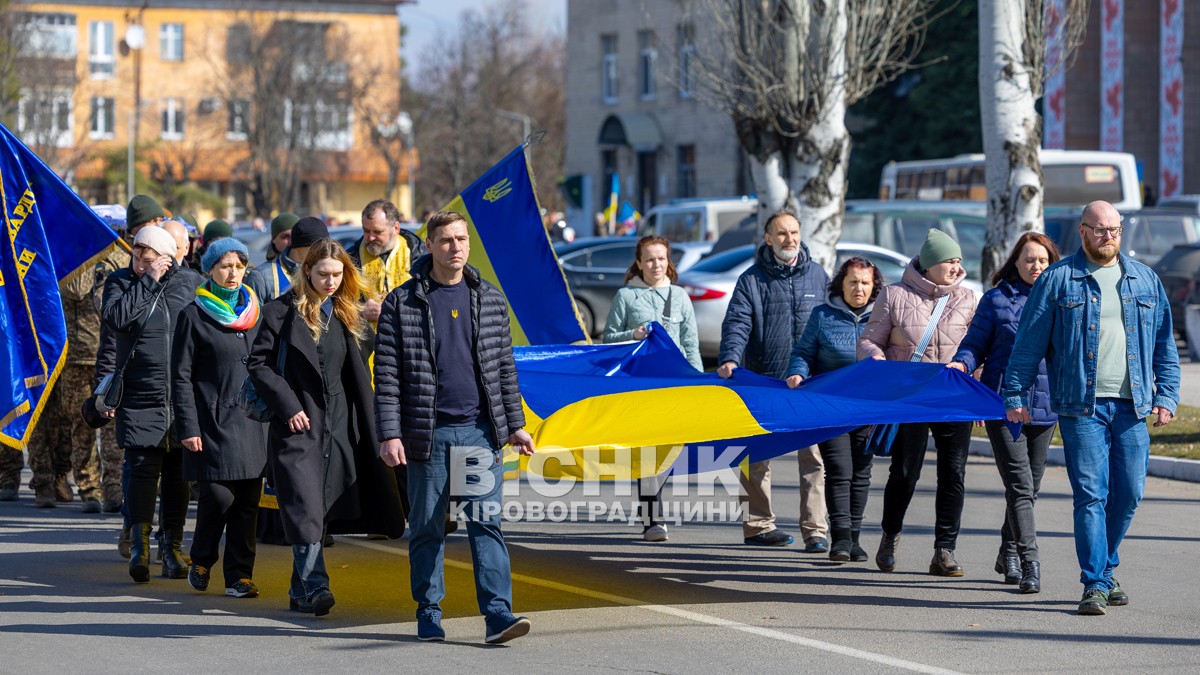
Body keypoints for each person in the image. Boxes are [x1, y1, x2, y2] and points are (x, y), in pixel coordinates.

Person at [1002, 201, 1179, 615]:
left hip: (1133, 404)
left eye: (1114, 230)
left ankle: (1107, 566)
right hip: (1080, 406)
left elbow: (1164, 346)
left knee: (1130, 493)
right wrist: (1015, 395)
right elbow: (1028, 344)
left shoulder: (1145, 279)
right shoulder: (1059, 280)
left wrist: (1167, 395)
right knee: (1091, 495)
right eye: (1099, 230)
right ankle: (1095, 582)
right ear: (1082, 231)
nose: (1108, 238)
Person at [375, 210, 536, 644]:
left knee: (487, 524)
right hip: (427, 435)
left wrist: (514, 425)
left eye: (462, 239)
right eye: (446, 240)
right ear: (429, 245)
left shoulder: (490, 298)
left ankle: (498, 615)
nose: (456, 247)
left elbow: (504, 368)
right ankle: (428, 611)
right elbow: (387, 374)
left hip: (480, 433)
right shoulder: (401, 302)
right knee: (428, 527)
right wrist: (390, 433)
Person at [247, 238, 404, 617]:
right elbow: (259, 365)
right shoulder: (278, 312)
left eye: (337, 274)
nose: (331, 281)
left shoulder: (348, 314)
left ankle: (300, 591)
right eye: (323, 274)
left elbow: (375, 359)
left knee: (320, 508)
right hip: (297, 426)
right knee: (304, 506)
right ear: (307, 272)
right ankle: (317, 585)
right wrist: (287, 406)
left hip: (340, 427)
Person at [858, 229, 977, 576]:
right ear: (928, 265)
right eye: (949, 261)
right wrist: (875, 360)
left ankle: (944, 551)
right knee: (905, 472)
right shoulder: (894, 295)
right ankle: (890, 536)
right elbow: (869, 340)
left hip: (953, 397)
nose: (957, 267)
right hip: (910, 398)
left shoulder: (968, 298)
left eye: (958, 260)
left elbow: (977, 349)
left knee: (953, 473)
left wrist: (980, 385)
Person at [949, 232, 1061, 593]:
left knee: (1031, 488)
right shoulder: (996, 300)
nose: (1036, 266)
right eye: (1030, 259)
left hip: (1046, 406)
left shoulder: (1062, 299)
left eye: (1043, 260)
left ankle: (1008, 549)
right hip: (1003, 404)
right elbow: (975, 344)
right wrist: (962, 365)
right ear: (1015, 262)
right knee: (1020, 484)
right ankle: (1030, 563)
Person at [717, 209, 829, 551]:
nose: (790, 239)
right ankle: (758, 526)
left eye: (794, 232)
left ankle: (816, 531)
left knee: (814, 459)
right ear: (768, 239)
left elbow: (832, 324)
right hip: (765, 380)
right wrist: (730, 358)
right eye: (782, 234)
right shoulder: (751, 280)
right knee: (756, 458)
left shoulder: (819, 276)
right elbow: (737, 323)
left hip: (808, 383)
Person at [102, 225, 204, 583]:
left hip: (180, 394)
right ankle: (139, 548)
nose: (139, 264)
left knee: (179, 474)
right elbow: (116, 320)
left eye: (148, 259)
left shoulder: (190, 282)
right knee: (141, 471)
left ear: (166, 257)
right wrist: (147, 282)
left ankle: (173, 548)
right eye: (136, 257)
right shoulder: (120, 282)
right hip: (139, 394)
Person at [172, 237, 268, 599]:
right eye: (225, 266)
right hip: (211, 420)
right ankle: (201, 559)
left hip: (253, 422)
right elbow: (180, 376)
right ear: (210, 269)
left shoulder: (256, 313)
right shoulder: (193, 315)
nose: (233, 274)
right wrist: (188, 427)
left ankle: (239, 576)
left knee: (246, 502)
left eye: (239, 266)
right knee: (218, 498)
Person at [785, 257, 884, 562]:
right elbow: (803, 352)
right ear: (842, 283)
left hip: (869, 408)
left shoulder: (882, 317)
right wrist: (797, 372)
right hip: (832, 406)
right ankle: (840, 538)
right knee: (840, 470)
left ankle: (854, 538)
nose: (859, 288)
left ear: (874, 287)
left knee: (862, 473)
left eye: (865, 283)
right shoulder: (823, 315)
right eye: (853, 281)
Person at [604, 235, 702, 542]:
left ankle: (652, 511)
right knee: (647, 451)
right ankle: (652, 519)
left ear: (668, 261)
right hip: (640, 386)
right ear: (639, 263)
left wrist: (699, 383)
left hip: (673, 385)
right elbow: (608, 339)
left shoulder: (680, 296)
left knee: (668, 451)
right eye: (649, 259)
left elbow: (690, 344)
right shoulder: (626, 296)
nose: (656, 264)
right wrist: (632, 333)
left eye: (661, 258)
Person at [347, 199, 413, 326]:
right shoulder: (350, 259)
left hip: (407, 340)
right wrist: (360, 312)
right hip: (368, 342)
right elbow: (336, 304)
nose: (370, 237)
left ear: (396, 228)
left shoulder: (417, 255)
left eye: (377, 232)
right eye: (366, 231)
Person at [246, 216, 328, 303]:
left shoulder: (328, 271)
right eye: (315, 248)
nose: (320, 253)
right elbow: (252, 314)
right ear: (298, 246)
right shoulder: (262, 277)